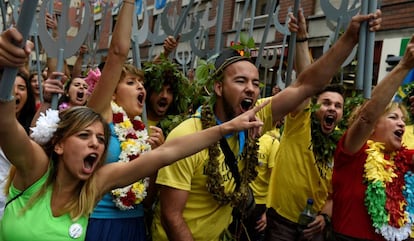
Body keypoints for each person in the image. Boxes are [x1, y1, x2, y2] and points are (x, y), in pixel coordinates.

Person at [0, 24, 268, 241]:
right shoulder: (33, 172)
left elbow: (169, 153)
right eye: (84, 136)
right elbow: (5, 122)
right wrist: (6, 68)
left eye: (101, 139)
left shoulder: (93, 187)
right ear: (58, 144)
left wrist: (227, 128)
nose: (96, 144)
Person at [150, 9, 382, 241]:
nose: (250, 88)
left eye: (255, 83)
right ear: (219, 88)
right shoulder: (187, 135)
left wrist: (350, 37)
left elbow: (306, 85)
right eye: (240, 81)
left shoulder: (255, 116)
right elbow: (172, 217)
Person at [84, 2, 165, 241]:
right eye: (130, 82)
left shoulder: (144, 133)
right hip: (99, 224)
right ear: (111, 92)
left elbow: (148, 200)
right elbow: (118, 52)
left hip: (135, 225)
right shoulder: (101, 116)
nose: (140, 87)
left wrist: (156, 159)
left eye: (141, 84)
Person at [332, 35, 414, 240]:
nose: (402, 123)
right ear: (374, 126)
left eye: (403, 119)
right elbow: (366, 117)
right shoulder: (353, 150)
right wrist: (404, 65)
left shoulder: (403, 161)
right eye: (393, 117)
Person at [0, 70, 36, 219]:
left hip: (15, 206)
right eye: (10, 85)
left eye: (21, 88)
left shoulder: (33, 129)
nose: (15, 92)